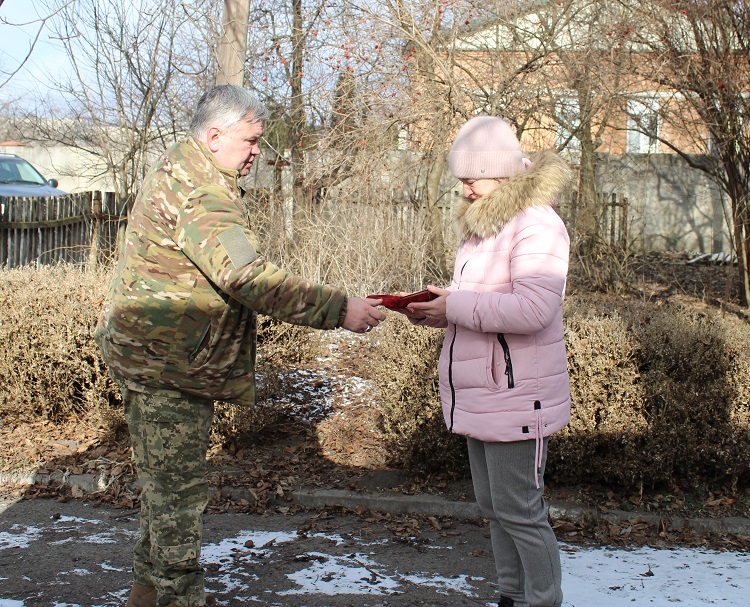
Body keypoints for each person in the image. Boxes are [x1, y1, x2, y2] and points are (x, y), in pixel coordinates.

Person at [94, 85, 386, 607]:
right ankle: (180, 599)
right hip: (170, 367)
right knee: (177, 505)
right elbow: (247, 277)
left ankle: (144, 596)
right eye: (250, 141)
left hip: (158, 358)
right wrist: (338, 307)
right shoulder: (201, 192)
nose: (257, 151)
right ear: (214, 136)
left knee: (165, 498)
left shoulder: (182, 168)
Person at [405, 115, 573, 607]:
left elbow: (533, 308)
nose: (465, 189)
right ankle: (510, 595)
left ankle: (540, 601)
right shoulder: (485, 227)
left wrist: (455, 305)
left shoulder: (538, 223)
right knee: (494, 507)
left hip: (519, 394)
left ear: (500, 172)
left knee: (520, 509)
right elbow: (483, 300)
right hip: (484, 390)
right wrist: (440, 306)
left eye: (471, 178)